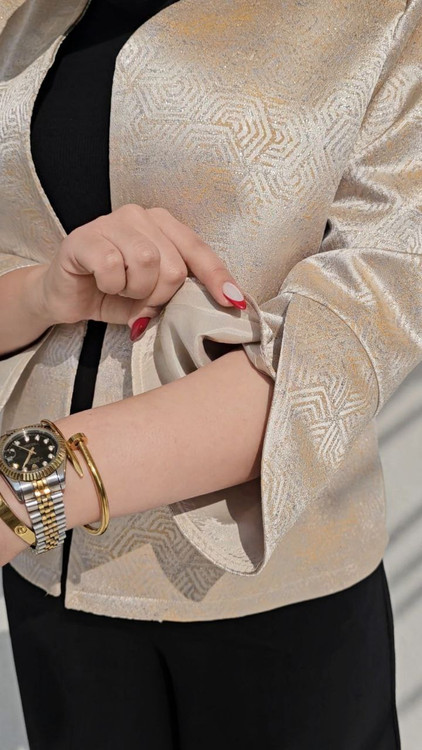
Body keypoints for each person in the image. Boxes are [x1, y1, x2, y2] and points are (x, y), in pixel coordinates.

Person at [0, 0, 420, 747]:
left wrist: (27, 491)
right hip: (51, 590)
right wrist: (40, 293)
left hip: (271, 600)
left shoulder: (385, 17)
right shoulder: (22, 17)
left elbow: (349, 335)